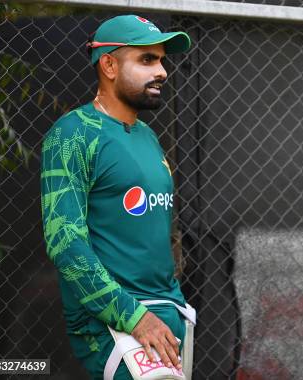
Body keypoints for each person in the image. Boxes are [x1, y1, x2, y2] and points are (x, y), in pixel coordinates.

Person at [41, 15, 192, 379]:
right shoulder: (72, 135)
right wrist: (134, 317)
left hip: (166, 316)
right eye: (146, 60)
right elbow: (65, 243)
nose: (162, 72)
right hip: (119, 324)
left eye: (161, 60)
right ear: (108, 64)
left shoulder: (146, 135)